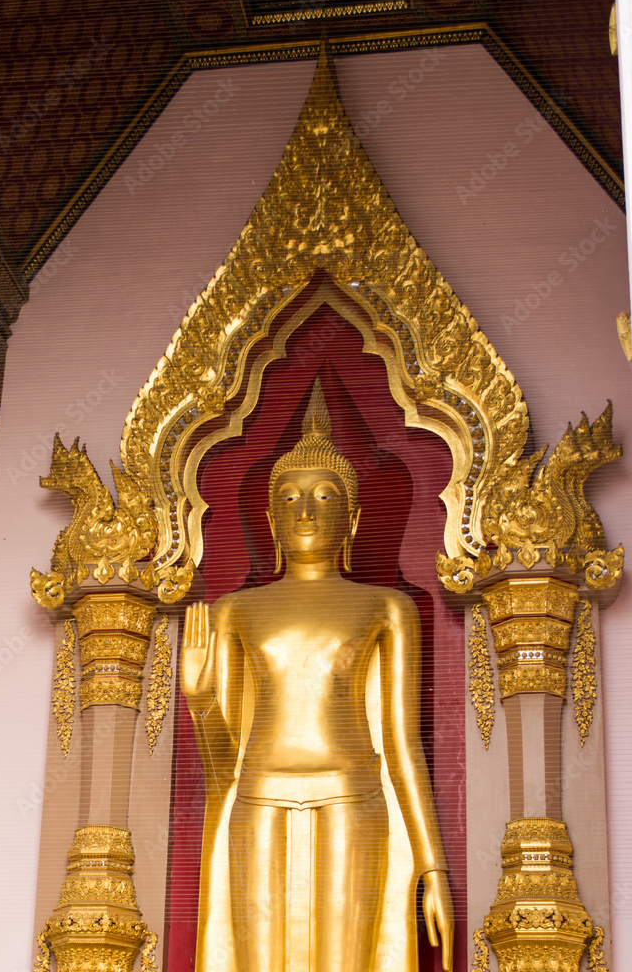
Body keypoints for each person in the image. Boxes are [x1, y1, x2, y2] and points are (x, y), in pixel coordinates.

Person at [180, 378, 453, 972]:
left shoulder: (387, 607)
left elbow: (403, 748)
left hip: (352, 797)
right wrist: (201, 702)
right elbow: (222, 769)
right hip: (256, 797)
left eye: (325, 496)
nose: (305, 509)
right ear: (271, 518)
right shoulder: (233, 611)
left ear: (353, 519)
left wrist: (432, 866)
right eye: (291, 497)